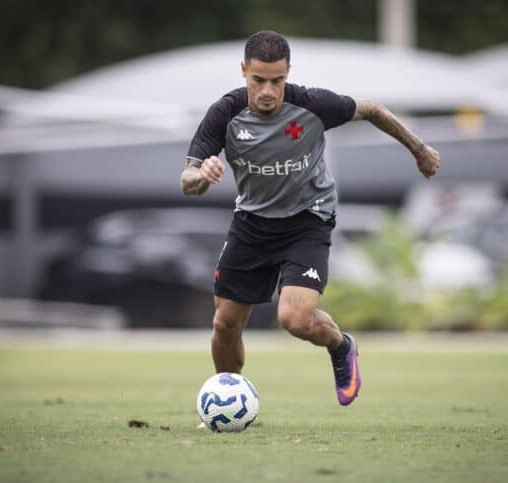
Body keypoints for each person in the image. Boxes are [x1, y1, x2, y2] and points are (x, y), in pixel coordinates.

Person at [181, 30, 440, 407]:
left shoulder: (312, 104)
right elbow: (187, 180)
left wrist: (419, 149)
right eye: (258, 80)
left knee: (295, 320)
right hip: (252, 222)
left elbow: (370, 108)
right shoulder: (225, 112)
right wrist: (201, 176)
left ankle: (341, 346)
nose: (268, 90)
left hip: (307, 219)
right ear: (243, 72)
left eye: (277, 80)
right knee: (225, 324)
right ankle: (229, 402)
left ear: (288, 73)